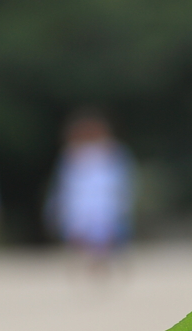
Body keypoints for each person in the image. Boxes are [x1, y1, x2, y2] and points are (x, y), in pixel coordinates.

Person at [48, 110, 133, 269]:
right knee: (83, 241)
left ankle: (101, 264)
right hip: (80, 207)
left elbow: (121, 184)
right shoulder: (70, 156)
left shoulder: (113, 153)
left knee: (103, 239)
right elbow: (64, 187)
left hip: (104, 207)